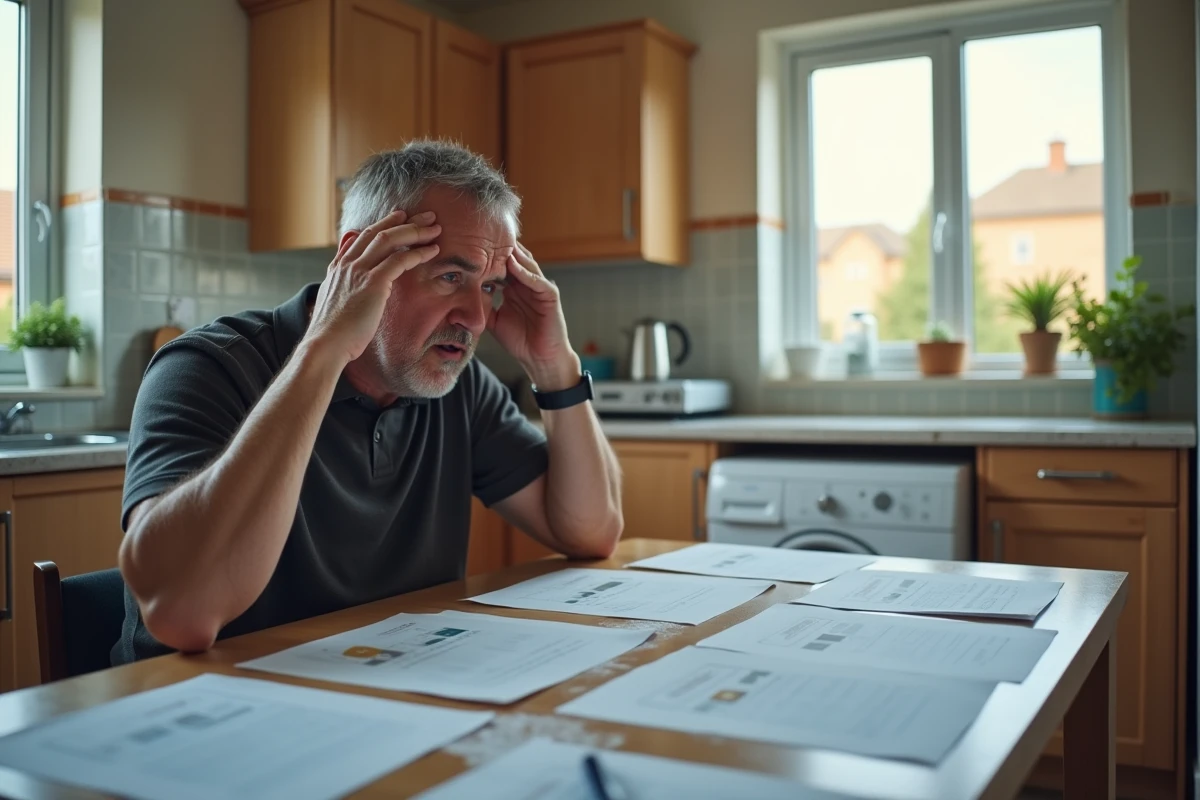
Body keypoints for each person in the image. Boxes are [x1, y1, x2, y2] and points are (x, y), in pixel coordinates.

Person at [113, 140, 624, 664]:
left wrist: (554, 365)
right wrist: (325, 351)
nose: (476, 317)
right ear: (359, 260)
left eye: (490, 287)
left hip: (383, 691)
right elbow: (182, 613)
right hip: (200, 709)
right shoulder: (208, 367)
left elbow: (591, 531)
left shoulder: (453, 386)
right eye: (451, 276)